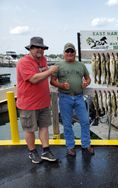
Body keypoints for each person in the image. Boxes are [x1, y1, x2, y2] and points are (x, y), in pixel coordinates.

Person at [16, 36, 58, 164]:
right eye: (37, 48)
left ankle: (45, 150)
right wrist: (50, 70)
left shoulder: (43, 59)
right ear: (31, 48)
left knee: (44, 127)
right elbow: (33, 79)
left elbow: (42, 71)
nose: (40, 50)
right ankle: (32, 152)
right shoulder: (24, 62)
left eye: (42, 48)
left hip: (43, 102)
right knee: (30, 129)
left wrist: (48, 70)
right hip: (28, 104)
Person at [50, 43, 94, 157]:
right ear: (64, 53)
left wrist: (86, 83)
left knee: (85, 121)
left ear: (75, 53)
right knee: (67, 124)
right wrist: (61, 85)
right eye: (67, 51)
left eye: (72, 51)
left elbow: (88, 78)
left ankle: (86, 144)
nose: (69, 53)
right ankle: (70, 147)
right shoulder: (58, 65)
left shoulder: (81, 65)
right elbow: (52, 81)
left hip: (79, 97)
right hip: (65, 97)